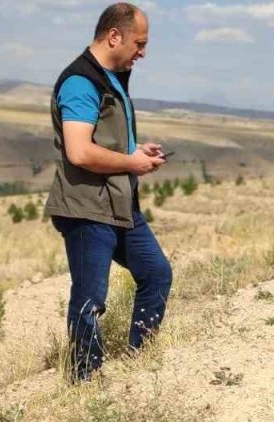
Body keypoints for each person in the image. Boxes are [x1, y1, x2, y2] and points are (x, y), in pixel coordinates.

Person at [45, 2, 171, 381]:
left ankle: (138, 361)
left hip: (119, 205)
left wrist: (134, 152)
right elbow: (80, 151)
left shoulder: (112, 77)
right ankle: (85, 379)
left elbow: (104, 141)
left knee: (156, 274)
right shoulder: (81, 82)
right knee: (90, 299)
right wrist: (132, 164)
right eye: (140, 43)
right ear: (114, 36)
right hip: (86, 208)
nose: (143, 52)